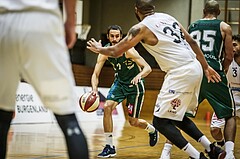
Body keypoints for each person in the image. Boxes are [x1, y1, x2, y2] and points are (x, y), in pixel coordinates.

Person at [87, 0, 225, 158]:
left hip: (180, 72)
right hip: (195, 67)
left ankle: (197, 156)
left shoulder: (141, 28)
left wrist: (99, 49)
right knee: (176, 116)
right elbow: (192, 41)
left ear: (136, 10)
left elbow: (116, 50)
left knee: (160, 122)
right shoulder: (168, 17)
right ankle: (212, 149)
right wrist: (206, 67)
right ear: (153, 8)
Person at [0, 0, 89, 159]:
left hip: (3, 22)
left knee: (1, 116)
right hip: (42, 21)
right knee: (68, 120)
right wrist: (70, 22)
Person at [159, 1, 236, 159]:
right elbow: (229, 55)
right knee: (229, 115)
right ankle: (229, 154)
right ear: (219, 11)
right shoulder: (224, 27)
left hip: (192, 71)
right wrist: (223, 69)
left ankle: (166, 152)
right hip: (213, 72)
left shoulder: (192, 26)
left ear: (203, 11)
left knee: (177, 114)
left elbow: (185, 48)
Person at [91, 25, 158, 158]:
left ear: (121, 37)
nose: (115, 39)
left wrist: (140, 75)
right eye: (112, 36)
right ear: (108, 37)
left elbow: (147, 68)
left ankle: (152, 130)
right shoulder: (105, 51)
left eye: (117, 36)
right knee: (108, 107)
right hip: (120, 84)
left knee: (133, 122)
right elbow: (95, 74)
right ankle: (109, 146)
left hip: (135, 86)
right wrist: (94, 90)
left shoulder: (129, 51)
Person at [210, 34, 240, 152]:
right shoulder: (225, 61)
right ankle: (221, 144)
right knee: (214, 130)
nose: (232, 48)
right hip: (228, 98)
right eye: (230, 45)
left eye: (235, 45)